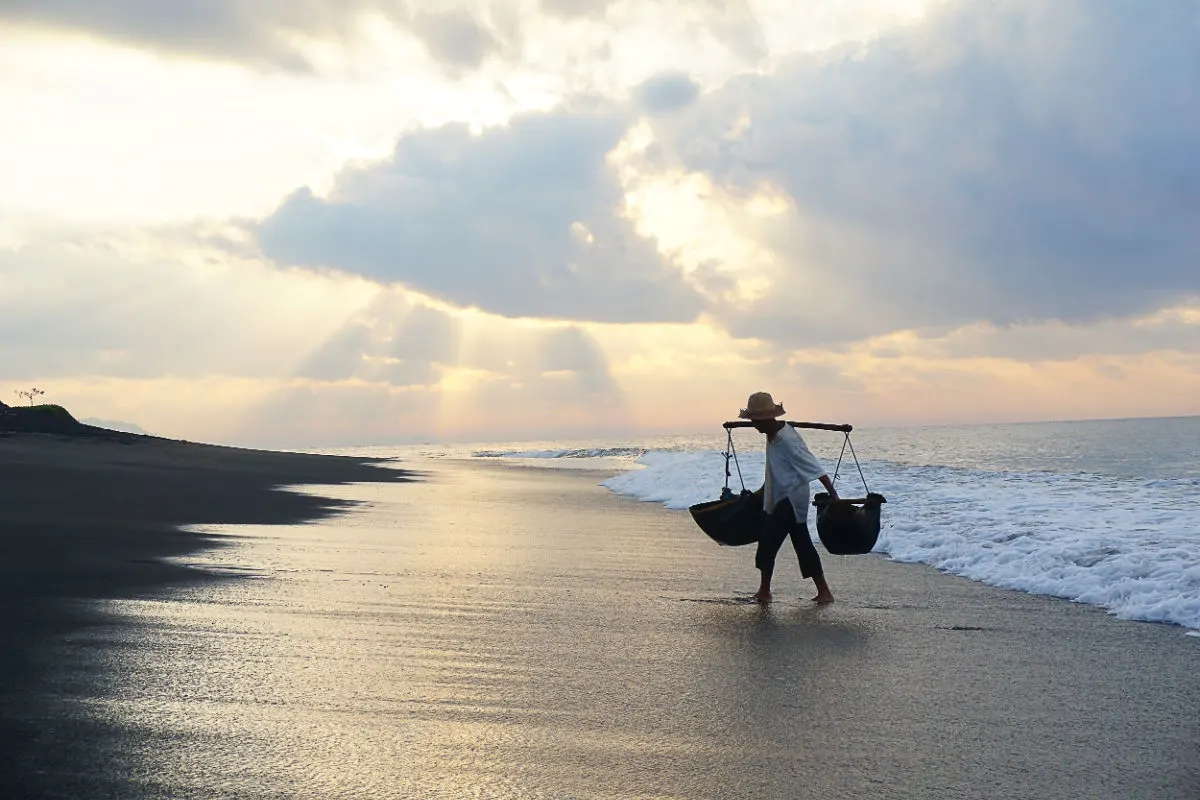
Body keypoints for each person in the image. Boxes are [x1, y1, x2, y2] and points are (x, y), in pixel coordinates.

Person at [740, 391, 838, 604]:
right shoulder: (772, 434)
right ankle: (823, 592)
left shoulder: (788, 440)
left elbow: (815, 468)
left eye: (755, 420)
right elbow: (777, 468)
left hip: (790, 500)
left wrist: (835, 497)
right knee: (800, 542)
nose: (753, 425)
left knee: (769, 540)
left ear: (767, 419)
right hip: (779, 495)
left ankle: (766, 591)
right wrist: (763, 491)